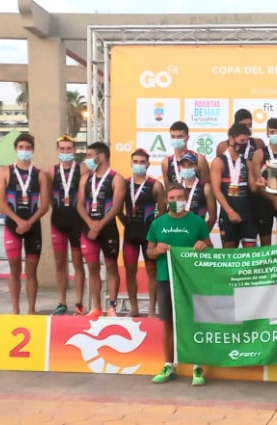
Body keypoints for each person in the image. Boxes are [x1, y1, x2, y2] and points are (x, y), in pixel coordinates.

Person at [146, 183, 211, 386]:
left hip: (192, 281)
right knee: (168, 323)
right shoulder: (158, 224)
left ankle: (197, 365)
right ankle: (168, 365)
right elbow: (149, 251)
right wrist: (156, 250)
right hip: (165, 279)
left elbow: (209, 246)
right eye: (172, 198)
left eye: (180, 197)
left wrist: (203, 245)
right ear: (166, 200)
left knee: (193, 321)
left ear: (186, 199)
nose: (176, 201)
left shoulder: (198, 222)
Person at [0, 133, 50, 314]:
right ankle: (15, 310)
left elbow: (45, 205)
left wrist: (29, 222)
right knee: (14, 269)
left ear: (33, 150)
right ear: (15, 149)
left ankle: (32, 310)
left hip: (33, 227)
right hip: (13, 226)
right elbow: (1, 203)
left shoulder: (40, 175)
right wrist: (19, 221)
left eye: (28, 148)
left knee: (32, 271)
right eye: (21, 148)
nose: (24, 151)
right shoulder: (5, 171)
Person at [76, 142, 126, 317]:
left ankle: (112, 306)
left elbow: (116, 208)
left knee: (111, 267)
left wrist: (99, 225)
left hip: (108, 228)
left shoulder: (116, 179)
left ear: (101, 156)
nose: (87, 160)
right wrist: (91, 224)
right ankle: (96, 306)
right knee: (92, 267)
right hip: (88, 229)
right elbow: (80, 205)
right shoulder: (85, 178)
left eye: (90, 156)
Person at [120, 148, 165, 317]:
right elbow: (117, 208)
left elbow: (162, 213)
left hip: (149, 235)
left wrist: (156, 233)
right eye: (135, 162)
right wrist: (125, 221)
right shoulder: (124, 184)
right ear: (131, 163)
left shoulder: (155, 185)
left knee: (152, 272)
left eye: (142, 162)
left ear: (148, 164)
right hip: (130, 234)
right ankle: (134, 308)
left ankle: (152, 310)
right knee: (130, 271)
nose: (138, 165)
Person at [46, 134, 88, 315]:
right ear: (57, 151)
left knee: (78, 262)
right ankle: (61, 301)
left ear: (75, 150)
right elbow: (48, 198)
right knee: (60, 263)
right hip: (58, 221)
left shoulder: (83, 170)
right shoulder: (50, 172)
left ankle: (79, 303)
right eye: (62, 149)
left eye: (69, 149)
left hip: (78, 223)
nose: (65, 152)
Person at [210, 123, 258, 248]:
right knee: (229, 258)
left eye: (246, 141)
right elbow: (215, 189)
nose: (244, 144)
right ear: (231, 139)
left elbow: (253, 187)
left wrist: (260, 183)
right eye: (242, 140)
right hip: (228, 215)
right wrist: (230, 211)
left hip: (247, 215)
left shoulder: (247, 162)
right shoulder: (219, 161)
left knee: (250, 257)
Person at [161, 121, 211, 187]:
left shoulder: (199, 159)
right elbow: (168, 189)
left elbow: (208, 187)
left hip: (196, 196)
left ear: (187, 138)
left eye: (179, 137)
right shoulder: (166, 162)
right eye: (173, 137)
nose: (176, 139)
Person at [179, 151, 217, 232]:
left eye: (190, 165)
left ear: (196, 166)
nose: (186, 168)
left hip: (197, 233)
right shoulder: (176, 187)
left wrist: (203, 236)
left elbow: (213, 217)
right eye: (183, 165)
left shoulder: (205, 187)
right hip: (177, 232)